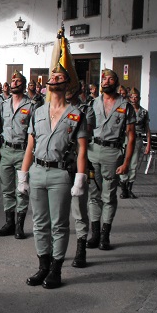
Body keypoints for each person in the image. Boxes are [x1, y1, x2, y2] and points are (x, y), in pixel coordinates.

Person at [17, 30, 88, 288]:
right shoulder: (37, 111)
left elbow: (82, 149)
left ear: (67, 83)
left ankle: (56, 270)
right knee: (39, 223)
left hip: (60, 174)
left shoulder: (76, 114)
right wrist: (23, 175)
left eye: (59, 76)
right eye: (52, 76)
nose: (54, 77)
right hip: (37, 171)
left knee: (59, 224)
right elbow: (30, 146)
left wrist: (80, 178)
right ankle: (42, 267)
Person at [85, 69, 136, 251]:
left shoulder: (125, 105)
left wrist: (126, 163)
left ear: (116, 82)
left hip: (113, 154)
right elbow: (86, 130)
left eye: (110, 79)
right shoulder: (93, 103)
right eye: (103, 78)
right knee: (93, 195)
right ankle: (95, 233)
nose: (105, 81)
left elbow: (131, 136)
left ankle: (105, 236)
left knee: (109, 196)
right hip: (93, 151)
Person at [0, 70, 35, 238]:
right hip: (6, 151)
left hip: (23, 151)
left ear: (23, 85)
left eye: (18, 81)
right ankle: (9, 222)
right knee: (7, 189)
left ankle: (20, 226)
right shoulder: (4, 104)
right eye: (13, 81)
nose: (15, 83)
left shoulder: (31, 106)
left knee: (22, 189)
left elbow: (33, 133)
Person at [65, 82, 91, 268]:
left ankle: (81, 249)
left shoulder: (86, 111)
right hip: (57, 165)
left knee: (79, 210)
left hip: (76, 164)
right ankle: (56, 251)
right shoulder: (51, 108)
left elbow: (84, 136)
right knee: (56, 213)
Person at [122, 88, 150, 199]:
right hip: (125, 138)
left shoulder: (143, 112)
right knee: (124, 162)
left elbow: (147, 129)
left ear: (139, 98)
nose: (134, 99)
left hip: (137, 139)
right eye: (132, 97)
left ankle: (129, 189)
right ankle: (123, 188)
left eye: (136, 97)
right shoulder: (125, 110)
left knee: (134, 164)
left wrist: (148, 143)